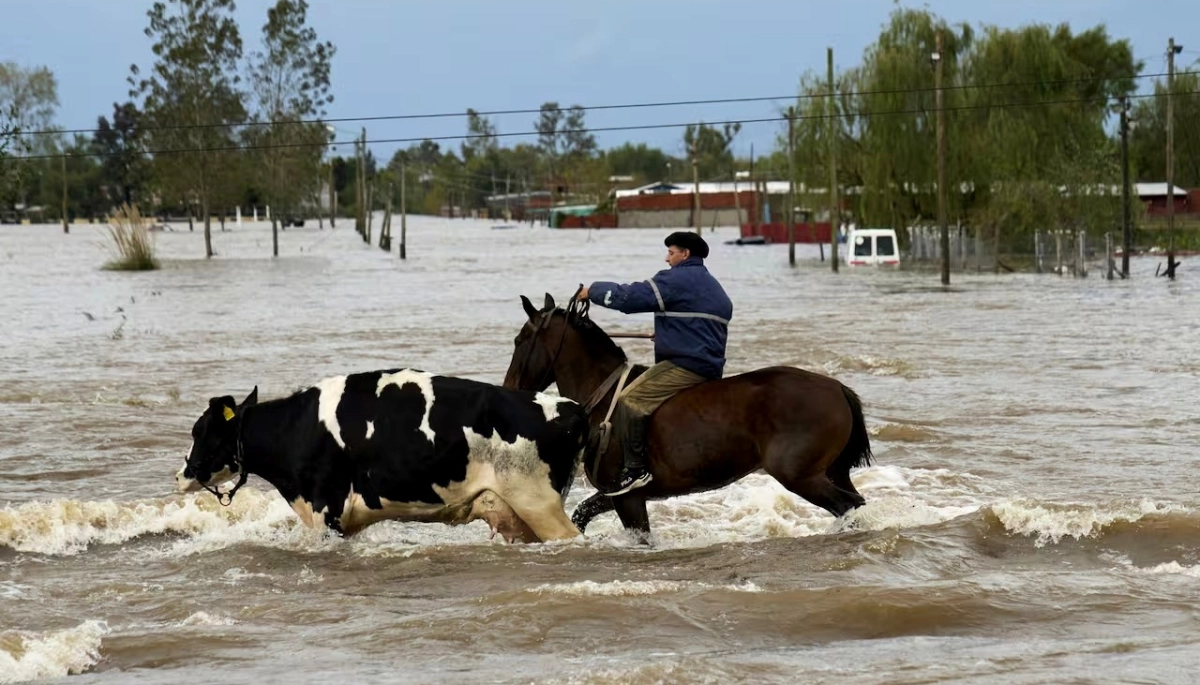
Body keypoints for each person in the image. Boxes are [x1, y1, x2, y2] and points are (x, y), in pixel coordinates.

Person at [578, 231, 733, 495]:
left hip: (686, 366)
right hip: (708, 365)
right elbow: (702, 329)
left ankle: (636, 470)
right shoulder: (714, 288)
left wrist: (592, 291)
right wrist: (669, 334)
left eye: (671, 253)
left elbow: (629, 298)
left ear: (685, 254)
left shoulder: (676, 279)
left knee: (630, 400)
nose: (667, 258)